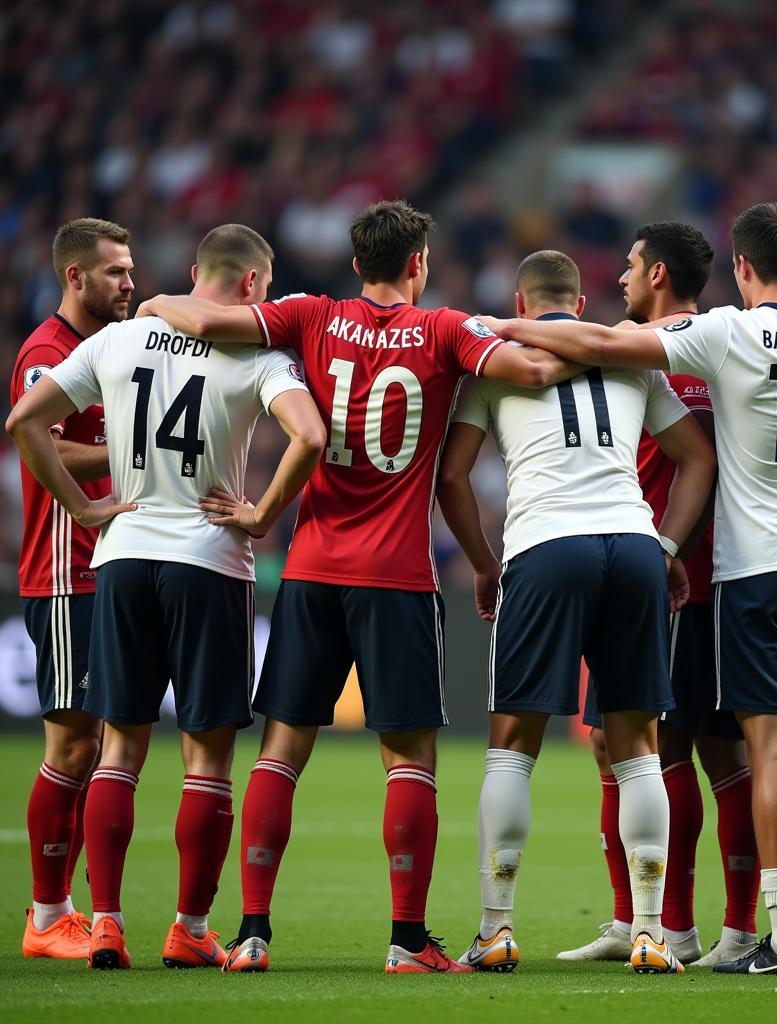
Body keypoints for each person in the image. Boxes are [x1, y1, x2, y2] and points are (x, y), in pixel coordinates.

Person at [475, 202, 777, 977]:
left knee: (771, 752)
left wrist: (498, 327)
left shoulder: (724, 333)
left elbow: (602, 341)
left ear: (740, 268)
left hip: (759, 570)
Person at [136, 200, 577, 974]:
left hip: (311, 569)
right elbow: (537, 370)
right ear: (418, 264)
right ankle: (407, 941)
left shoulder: (310, 315)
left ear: (355, 264)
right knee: (408, 760)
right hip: (398, 576)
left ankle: (250, 934)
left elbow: (204, 324)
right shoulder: (446, 332)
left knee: (280, 751)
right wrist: (515, 328)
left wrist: (155, 301)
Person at [7, 224, 325, 971]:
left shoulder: (120, 340)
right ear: (251, 285)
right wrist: (261, 514)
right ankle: (187, 927)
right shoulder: (259, 352)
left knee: (117, 749)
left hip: (121, 557)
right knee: (206, 760)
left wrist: (84, 509)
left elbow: (24, 423)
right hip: (208, 560)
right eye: (268, 286)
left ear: (193, 271)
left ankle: (107, 924)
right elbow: (307, 436)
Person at [437, 249, 717, 974]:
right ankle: (654, 934)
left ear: (521, 305)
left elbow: (453, 476)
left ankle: (496, 929)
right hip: (631, 547)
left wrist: (483, 562)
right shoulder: (629, 358)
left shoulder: (494, 360)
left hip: (545, 546)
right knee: (638, 746)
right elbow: (697, 457)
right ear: (582, 306)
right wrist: (668, 542)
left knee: (511, 744)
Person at [557, 223, 759, 969]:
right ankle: (634, 918)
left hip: (670, 578)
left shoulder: (646, 351)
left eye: (633, 266)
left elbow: (690, 460)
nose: (621, 279)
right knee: (640, 744)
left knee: (669, 747)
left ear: (660, 273)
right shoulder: (726, 344)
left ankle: (679, 929)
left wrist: (668, 549)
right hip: (699, 571)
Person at [12, 218, 134, 960]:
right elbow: (41, 446)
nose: (129, 282)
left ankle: (66, 911)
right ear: (75, 277)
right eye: (115, 272)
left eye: (130, 269)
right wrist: (133, 444)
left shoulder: (104, 350)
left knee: (95, 744)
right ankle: (46, 914)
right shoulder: (45, 354)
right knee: (72, 743)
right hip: (65, 573)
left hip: (104, 569)